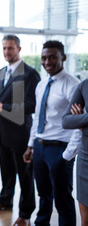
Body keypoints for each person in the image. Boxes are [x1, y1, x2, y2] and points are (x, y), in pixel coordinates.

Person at [0, 34, 40, 226]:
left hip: (21, 132)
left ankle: (25, 214)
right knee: (6, 171)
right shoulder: (1, 73)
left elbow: (32, 104)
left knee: (25, 176)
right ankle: (5, 200)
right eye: (4, 48)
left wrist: (3, 107)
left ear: (19, 49)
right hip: (3, 132)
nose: (6, 52)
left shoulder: (30, 74)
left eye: (10, 48)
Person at [22, 40, 80, 226]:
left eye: (52, 57)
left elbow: (80, 123)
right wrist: (31, 145)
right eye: (44, 58)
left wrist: (67, 155)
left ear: (62, 57)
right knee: (43, 194)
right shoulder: (41, 84)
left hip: (60, 149)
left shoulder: (73, 85)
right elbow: (38, 117)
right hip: (40, 147)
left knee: (62, 198)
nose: (47, 61)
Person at [63, 79, 88, 226]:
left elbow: (75, 121)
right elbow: (66, 121)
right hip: (85, 162)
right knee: (85, 220)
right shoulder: (84, 85)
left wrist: (81, 123)